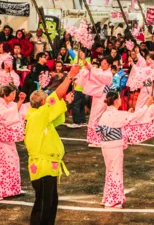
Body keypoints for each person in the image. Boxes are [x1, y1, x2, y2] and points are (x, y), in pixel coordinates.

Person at [24, 64, 80, 225]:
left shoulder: (38, 116)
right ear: (43, 103)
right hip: (42, 167)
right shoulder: (38, 116)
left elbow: (56, 115)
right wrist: (69, 76)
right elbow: (58, 94)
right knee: (43, 205)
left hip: (47, 166)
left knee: (50, 203)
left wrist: (66, 102)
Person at [97, 92, 154, 208]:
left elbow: (124, 119)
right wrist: (147, 105)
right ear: (115, 101)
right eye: (119, 98)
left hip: (106, 146)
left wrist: (127, 115)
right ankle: (113, 200)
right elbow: (136, 116)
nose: (120, 100)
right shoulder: (116, 114)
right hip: (114, 146)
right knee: (115, 172)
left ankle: (108, 197)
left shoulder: (105, 114)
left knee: (110, 171)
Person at [76, 54, 113, 147]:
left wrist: (84, 60)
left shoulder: (108, 74)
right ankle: (95, 139)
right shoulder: (102, 71)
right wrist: (86, 64)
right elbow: (93, 70)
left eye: (105, 63)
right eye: (102, 62)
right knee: (95, 117)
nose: (102, 64)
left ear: (109, 65)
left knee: (97, 117)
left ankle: (97, 140)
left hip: (103, 97)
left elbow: (93, 71)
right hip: (98, 96)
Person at [0, 85, 26, 200]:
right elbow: (8, 116)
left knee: (12, 161)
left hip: (7, 140)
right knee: (3, 164)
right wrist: (19, 102)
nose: (14, 96)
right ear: (5, 95)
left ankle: (12, 188)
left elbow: (18, 111)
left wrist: (21, 101)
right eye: (12, 94)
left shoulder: (10, 105)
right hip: (1, 140)